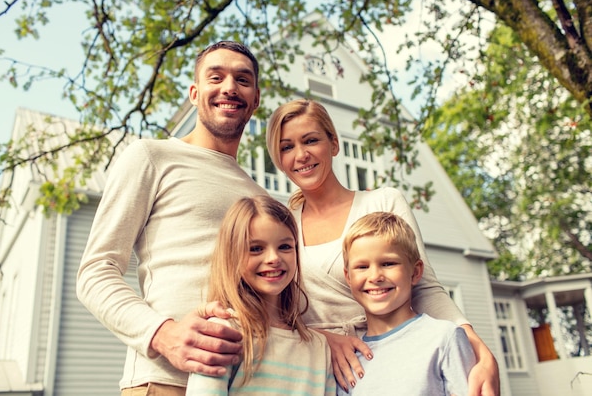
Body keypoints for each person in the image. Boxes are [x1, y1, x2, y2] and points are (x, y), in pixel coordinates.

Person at [265, 98, 500, 395]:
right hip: (315, 367)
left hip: (389, 355)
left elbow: (425, 288)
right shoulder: (284, 225)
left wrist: (479, 350)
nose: (301, 155)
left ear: (334, 144)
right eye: (287, 147)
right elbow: (278, 310)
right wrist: (324, 339)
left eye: (311, 140)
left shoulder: (382, 202)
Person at [76, 41, 269, 396]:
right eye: (216, 77)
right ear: (195, 93)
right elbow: (95, 272)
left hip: (247, 385)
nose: (229, 87)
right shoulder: (152, 156)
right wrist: (164, 334)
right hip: (164, 382)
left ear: (255, 99)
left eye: (243, 80)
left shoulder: (262, 198)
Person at [186, 195, 335, 395]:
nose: (273, 258)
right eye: (256, 249)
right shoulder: (222, 333)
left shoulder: (319, 347)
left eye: (284, 246)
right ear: (232, 256)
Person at [338, 211, 476, 395]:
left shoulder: (445, 338)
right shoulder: (348, 360)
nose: (375, 277)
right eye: (362, 267)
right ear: (348, 277)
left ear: (415, 272)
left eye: (388, 264)